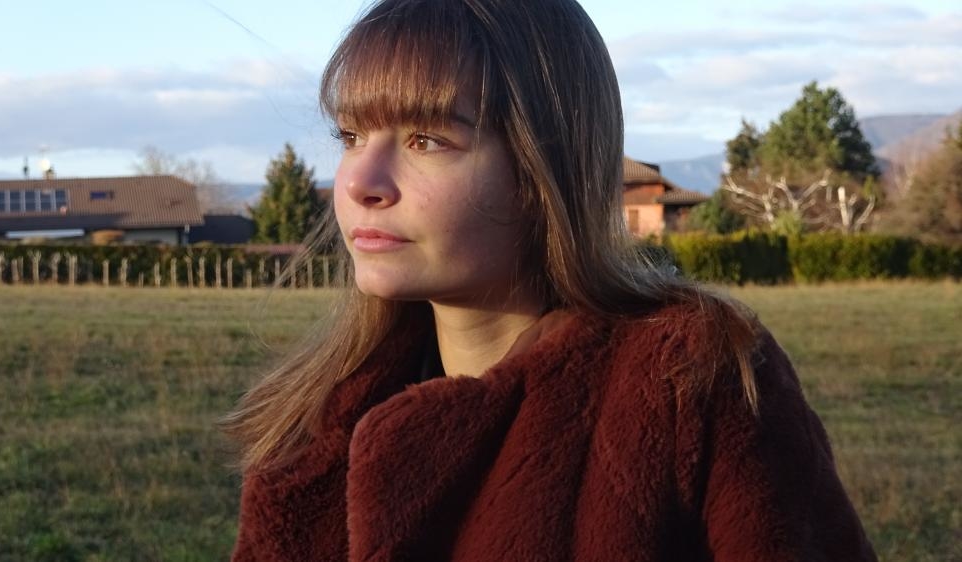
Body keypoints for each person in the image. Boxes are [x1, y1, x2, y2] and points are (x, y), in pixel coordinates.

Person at [225, 0, 877, 560]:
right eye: (350, 136)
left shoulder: (691, 378)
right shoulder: (314, 428)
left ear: (542, 170)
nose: (360, 183)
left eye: (427, 140)